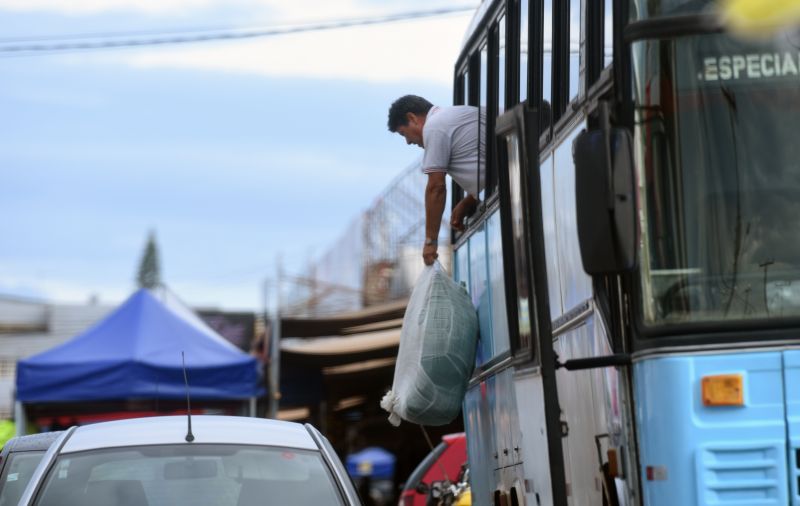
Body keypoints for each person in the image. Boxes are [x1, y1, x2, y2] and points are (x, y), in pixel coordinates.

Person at [387, 95, 484, 265]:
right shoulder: (455, 115)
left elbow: (436, 187)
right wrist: (470, 199)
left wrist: (430, 242)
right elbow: (492, 162)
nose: (408, 142)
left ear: (412, 118)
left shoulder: (434, 127)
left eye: (404, 134)